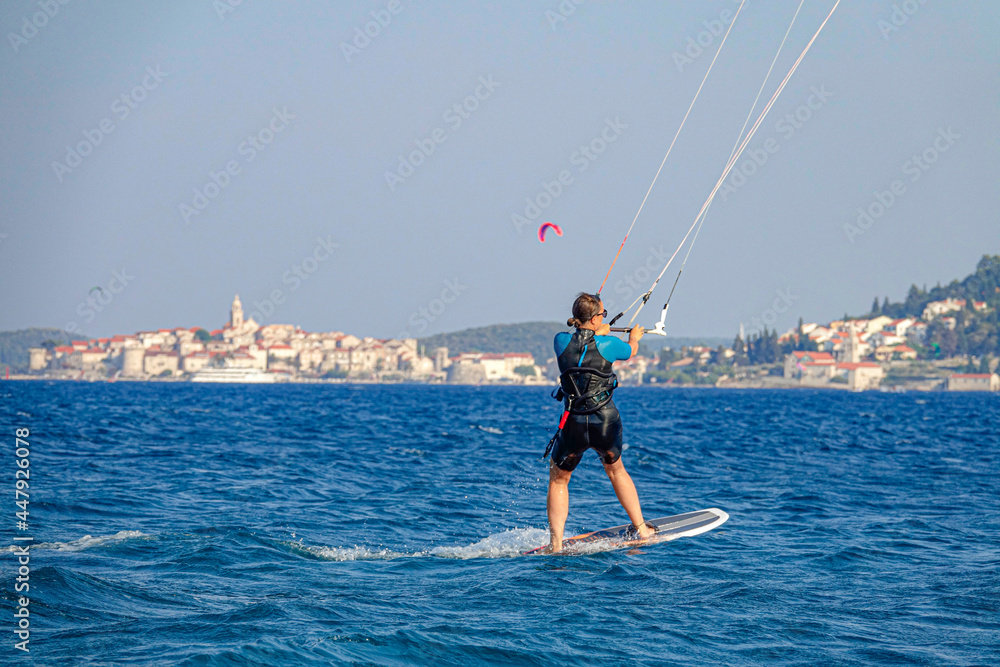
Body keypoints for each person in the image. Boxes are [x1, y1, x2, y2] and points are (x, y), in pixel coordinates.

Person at [545, 292, 654, 553]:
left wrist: (597, 329)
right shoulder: (610, 345)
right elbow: (630, 350)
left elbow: (581, 340)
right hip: (604, 421)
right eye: (602, 314)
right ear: (594, 319)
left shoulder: (560, 341)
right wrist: (634, 337)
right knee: (615, 469)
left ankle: (556, 544)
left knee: (559, 478)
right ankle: (641, 528)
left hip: (573, 423)